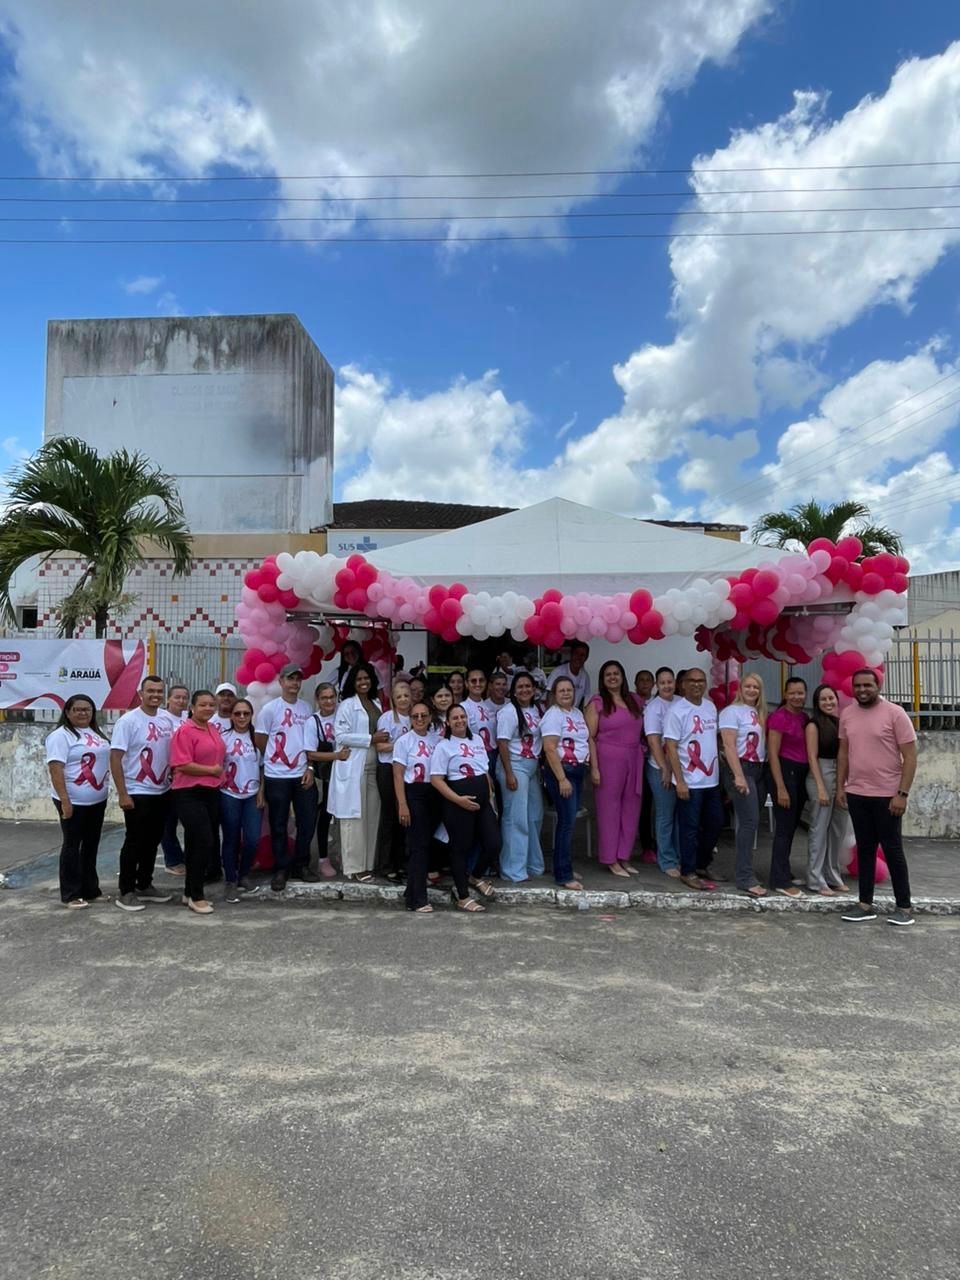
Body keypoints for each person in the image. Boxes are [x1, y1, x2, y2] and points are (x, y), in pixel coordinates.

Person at [838, 670, 918, 926]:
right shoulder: (848, 714)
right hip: (857, 792)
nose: (862, 690)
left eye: (867, 685)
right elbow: (843, 753)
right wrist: (841, 786)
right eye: (858, 686)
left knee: (893, 850)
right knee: (865, 848)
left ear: (878, 685)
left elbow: (911, 756)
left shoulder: (895, 713)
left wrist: (902, 794)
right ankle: (865, 904)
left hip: (887, 795)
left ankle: (904, 907)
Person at [109, 674, 176, 912]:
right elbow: (115, 758)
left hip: (162, 790)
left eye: (159, 691)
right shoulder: (128, 722)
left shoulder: (168, 719)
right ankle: (126, 891)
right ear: (141, 693)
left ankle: (144, 884)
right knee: (134, 841)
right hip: (137, 791)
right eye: (151, 691)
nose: (155, 695)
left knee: (153, 840)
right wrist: (122, 793)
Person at [254, 663, 318, 892]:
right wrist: (274, 760)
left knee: (307, 821)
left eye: (297, 679)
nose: (294, 683)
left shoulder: (307, 708)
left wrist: (309, 767)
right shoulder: (270, 710)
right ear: (281, 682)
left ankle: (301, 864)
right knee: (278, 824)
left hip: (302, 774)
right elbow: (261, 740)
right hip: (277, 775)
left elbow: (311, 742)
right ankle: (281, 867)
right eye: (290, 679)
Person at [430, 705, 500, 912]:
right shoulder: (443, 746)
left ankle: (475, 876)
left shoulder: (477, 740)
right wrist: (458, 800)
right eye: (455, 718)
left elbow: (484, 771)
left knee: (494, 843)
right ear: (448, 723)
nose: (460, 720)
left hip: (482, 803)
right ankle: (462, 895)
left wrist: (489, 794)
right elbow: (436, 779)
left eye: (462, 716)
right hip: (458, 803)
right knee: (460, 848)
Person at [45, 694, 111, 908]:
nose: (83, 713)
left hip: (97, 800)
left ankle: (91, 889)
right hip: (73, 800)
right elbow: (56, 769)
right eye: (78, 710)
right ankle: (71, 893)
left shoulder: (95, 733)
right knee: (72, 845)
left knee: (91, 845)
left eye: (87, 710)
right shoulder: (60, 736)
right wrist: (65, 800)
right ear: (67, 712)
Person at [329, 662, 392, 883]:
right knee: (354, 820)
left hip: (375, 767)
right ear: (352, 683)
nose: (363, 682)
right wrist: (370, 739)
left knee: (372, 816)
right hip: (355, 767)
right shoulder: (347, 705)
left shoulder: (376, 703)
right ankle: (354, 867)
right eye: (359, 679)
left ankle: (368, 864)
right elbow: (341, 736)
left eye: (366, 678)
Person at [585, 660, 644, 878]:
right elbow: (589, 736)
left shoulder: (635, 700)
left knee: (631, 808)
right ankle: (610, 858)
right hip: (608, 759)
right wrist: (595, 768)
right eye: (608, 674)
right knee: (609, 810)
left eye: (616, 673)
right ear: (603, 679)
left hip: (634, 758)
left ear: (622, 676)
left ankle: (624, 856)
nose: (612, 677)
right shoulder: (598, 703)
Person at [664, 667, 721, 891]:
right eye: (692, 681)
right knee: (689, 827)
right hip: (689, 780)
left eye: (701, 681)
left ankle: (702, 863)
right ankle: (688, 871)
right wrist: (680, 781)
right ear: (684, 685)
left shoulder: (710, 707)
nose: (697, 684)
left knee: (714, 824)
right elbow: (671, 746)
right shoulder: (677, 710)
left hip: (711, 780)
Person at [170, 690, 225, 915]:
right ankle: (196, 895)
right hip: (189, 792)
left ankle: (188, 892)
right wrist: (211, 770)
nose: (208, 709)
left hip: (211, 792)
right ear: (192, 707)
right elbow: (181, 764)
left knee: (196, 843)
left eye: (212, 705)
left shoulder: (212, 728)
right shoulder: (185, 731)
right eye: (203, 705)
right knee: (204, 841)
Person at [719, 673, 769, 897]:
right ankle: (745, 877)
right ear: (741, 688)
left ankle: (746, 872)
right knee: (748, 823)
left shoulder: (760, 713)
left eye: (756, 687)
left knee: (750, 823)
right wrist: (737, 776)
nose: (752, 690)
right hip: (742, 768)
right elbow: (729, 746)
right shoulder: (732, 711)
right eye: (748, 686)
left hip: (759, 769)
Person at [541, 676, 590, 890]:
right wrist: (561, 778)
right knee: (566, 824)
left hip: (577, 771)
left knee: (569, 822)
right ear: (554, 693)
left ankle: (565, 865)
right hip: (563, 773)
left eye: (569, 689)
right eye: (561, 690)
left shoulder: (577, 713)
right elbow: (550, 748)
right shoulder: (553, 715)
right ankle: (562, 873)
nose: (566, 693)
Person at [393, 700, 442, 913]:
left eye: (423, 715)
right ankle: (418, 899)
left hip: (433, 793)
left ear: (430, 717)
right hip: (414, 793)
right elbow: (397, 774)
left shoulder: (437, 740)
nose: (420, 719)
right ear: (410, 719)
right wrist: (402, 804)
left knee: (426, 843)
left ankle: (411, 891)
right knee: (418, 846)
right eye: (415, 716)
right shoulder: (404, 741)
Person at [496, 672, 545, 883]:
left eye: (528, 686)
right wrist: (508, 773)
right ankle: (512, 869)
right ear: (513, 691)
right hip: (514, 766)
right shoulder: (508, 712)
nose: (524, 690)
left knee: (534, 816)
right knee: (516, 819)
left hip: (532, 767)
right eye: (520, 687)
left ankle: (533, 864)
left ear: (534, 689)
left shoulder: (538, 709)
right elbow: (502, 743)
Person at [804, 685, 852, 896]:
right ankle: (815, 879)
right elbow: (811, 757)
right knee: (819, 828)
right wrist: (821, 787)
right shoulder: (813, 725)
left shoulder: (839, 722)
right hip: (820, 774)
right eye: (823, 699)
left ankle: (832, 874)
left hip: (840, 775)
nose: (828, 703)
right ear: (817, 703)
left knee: (837, 828)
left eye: (831, 698)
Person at [767, 677, 809, 898]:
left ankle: (784, 870)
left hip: (801, 774)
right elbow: (772, 754)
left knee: (792, 826)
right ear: (785, 693)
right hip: (785, 772)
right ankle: (779, 880)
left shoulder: (804, 717)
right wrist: (780, 787)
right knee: (784, 827)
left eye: (800, 692)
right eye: (792, 693)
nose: (797, 697)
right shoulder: (778, 717)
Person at [219, 698, 265, 902]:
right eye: (237, 713)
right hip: (229, 795)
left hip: (252, 795)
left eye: (246, 713)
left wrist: (261, 792)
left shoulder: (258, 739)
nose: (242, 717)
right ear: (231, 716)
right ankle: (230, 880)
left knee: (253, 838)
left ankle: (243, 874)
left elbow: (264, 767)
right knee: (231, 838)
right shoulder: (223, 738)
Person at [644, 667, 680, 880]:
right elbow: (653, 740)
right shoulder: (653, 707)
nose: (667, 686)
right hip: (660, 769)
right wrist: (665, 769)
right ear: (657, 685)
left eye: (670, 681)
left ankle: (678, 854)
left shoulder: (680, 702)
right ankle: (666, 859)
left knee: (679, 815)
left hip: (682, 769)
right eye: (663, 682)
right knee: (665, 815)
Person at [374, 679, 413, 880]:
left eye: (406, 695)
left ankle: (402, 862)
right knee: (389, 815)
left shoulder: (416, 717)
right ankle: (386, 864)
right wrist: (400, 745)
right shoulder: (387, 718)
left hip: (408, 772)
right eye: (399, 696)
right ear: (393, 699)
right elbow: (380, 746)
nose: (403, 699)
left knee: (404, 817)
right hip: (388, 769)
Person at [308, 682, 347, 878]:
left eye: (332, 697)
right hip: (324, 776)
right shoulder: (312, 722)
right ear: (318, 700)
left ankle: (341, 853)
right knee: (324, 817)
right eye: (324, 698)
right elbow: (311, 753)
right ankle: (323, 858)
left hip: (345, 775)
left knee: (344, 817)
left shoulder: (343, 716)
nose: (329, 701)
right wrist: (336, 756)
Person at [547, 642, 591, 708]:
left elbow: (584, 700)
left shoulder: (585, 676)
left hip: (573, 713)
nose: (578, 657)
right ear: (571, 654)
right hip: (558, 712)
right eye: (576, 653)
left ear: (586, 658)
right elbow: (550, 695)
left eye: (582, 655)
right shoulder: (558, 672)